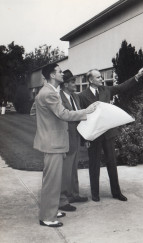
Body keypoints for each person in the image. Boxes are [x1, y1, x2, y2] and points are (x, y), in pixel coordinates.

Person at [34, 63, 98, 228]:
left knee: (55, 181)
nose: (62, 74)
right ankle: (47, 217)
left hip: (55, 143)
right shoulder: (49, 93)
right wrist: (87, 111)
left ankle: (52, 210)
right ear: (52, 75)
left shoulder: (50, 91)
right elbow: (63, 114)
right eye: (60, 72)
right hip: (53, 144)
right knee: (52, 182)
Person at [78, 66, 143, 202]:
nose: (101, 79)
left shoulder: (106, 90)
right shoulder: (82, 96)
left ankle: (116, 192)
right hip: (94, 135)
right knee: (94, 164)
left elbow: (121, 87)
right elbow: (82, 117)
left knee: (112, 163)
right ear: (90, 80)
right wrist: (84, 138)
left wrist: (137, 76)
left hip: (108, 133)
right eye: (98, 77)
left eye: (101, 77)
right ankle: (95, 194)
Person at [58, 70, 88, 213]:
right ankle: (64, 199)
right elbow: (65, 116)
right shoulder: (58, 98)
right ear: (65, 84)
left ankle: (74, 194)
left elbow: (80, 115)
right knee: (66, 169)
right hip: (65, 138)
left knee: (74, 167)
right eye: (72, 82)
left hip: (76, 136)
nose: (74, 84)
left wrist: (85, 137)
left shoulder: (75, 97)